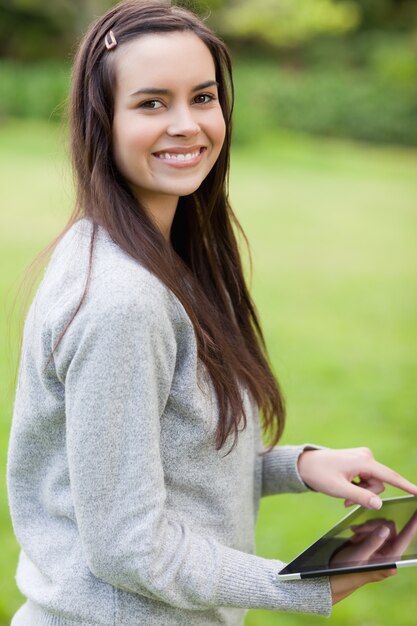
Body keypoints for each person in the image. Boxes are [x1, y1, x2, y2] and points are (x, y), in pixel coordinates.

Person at [7, 1, 417, 625]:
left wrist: (301, 466)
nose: (187, 124)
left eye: (202, 97)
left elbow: (168, 461)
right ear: (101, 120)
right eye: (151, 103)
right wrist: (298, 585)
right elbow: (128, 545)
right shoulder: (122, 300)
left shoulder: (163, 260)